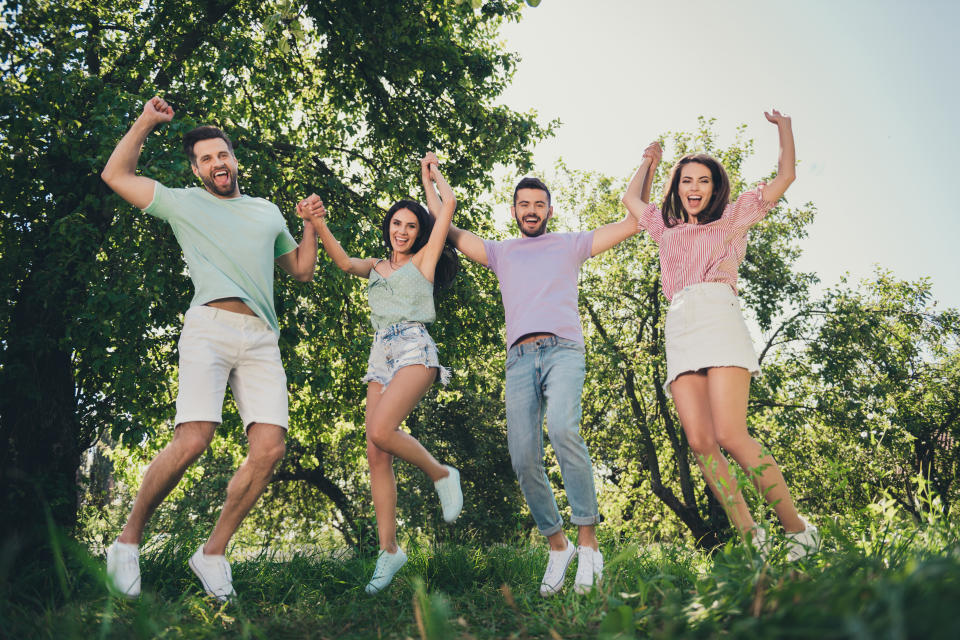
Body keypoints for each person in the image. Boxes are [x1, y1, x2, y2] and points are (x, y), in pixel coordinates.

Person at [100, 96, 320, 600]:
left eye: (222, 154)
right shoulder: (184, 202)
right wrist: (147, 121)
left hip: (262, 337)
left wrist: (310, 223)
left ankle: (213, 552)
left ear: (234, 159)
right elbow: (116, 174)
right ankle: (126, 542)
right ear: (196, 169)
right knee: (194, 439)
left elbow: (302, 271)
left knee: (269, 450)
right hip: (209, 326)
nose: (216, 164)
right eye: (205, 159)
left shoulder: (265, 212)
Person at [621, 110, 820, 561]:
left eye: (703, 181)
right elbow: (631, 199)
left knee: (731, 433)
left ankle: (798, 531)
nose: (694, 188)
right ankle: (752, 537)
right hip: (680, 324)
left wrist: (786, 128)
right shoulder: (665, 230)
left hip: (718, 312)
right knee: (700, 441)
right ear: (678, 188)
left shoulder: (733, 218)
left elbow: (785, 176)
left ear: (714, 188)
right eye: (686, 180)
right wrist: (649, 162)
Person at [441, 175, 642, 596]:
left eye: (539, 204)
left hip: (563, 350)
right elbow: (445, 224)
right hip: (518, 359)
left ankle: (588, 545)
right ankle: (558, 547)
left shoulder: (570, 244)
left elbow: (633, 220)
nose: (531, 210)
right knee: (522, 455)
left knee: (565, 429)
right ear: (513, 211)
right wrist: (435, 181)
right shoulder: (500, 252)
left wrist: (647, 164)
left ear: (550, 210)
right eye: (523, 204)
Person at [302, 152, 462, 594]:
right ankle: (389, 550)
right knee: (376, 451)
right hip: (380, 356)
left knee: (381, 429)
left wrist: (430, 174)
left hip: (414, 346)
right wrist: (317, 224)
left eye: (411, 225)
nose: (403, 230)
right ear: (388, 227)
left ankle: (441, 473)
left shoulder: (423, 262)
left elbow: (445, 208)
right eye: (397, 223)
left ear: (419, 233)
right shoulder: (374, 266)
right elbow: (341, 262)